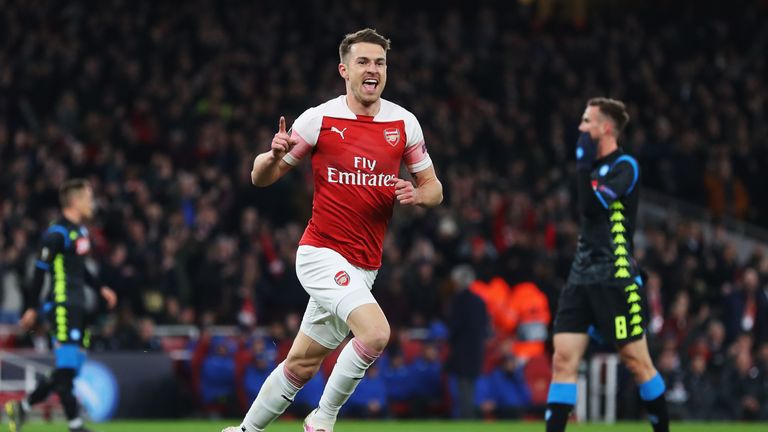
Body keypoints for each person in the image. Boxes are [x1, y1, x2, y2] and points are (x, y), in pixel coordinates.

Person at [223, 27, 443, 432]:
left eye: (379, 62)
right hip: (321, 254)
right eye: (363, 61)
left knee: (302, 364)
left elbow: (435, 189)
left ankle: (243, 431)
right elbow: (259, 177)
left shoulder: (404, 124)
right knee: (376, 334)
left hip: (365, 266)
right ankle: (322, 420)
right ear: (344, 69)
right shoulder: (319, 120)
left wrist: (418, 193)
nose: (372, 69)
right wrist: (271, 156)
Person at [545, 98, 669, 432]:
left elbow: (590, 207)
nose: (581, 128)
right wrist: (584, 167)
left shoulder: (625, 165)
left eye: (587, 121)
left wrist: (583, 164)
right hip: (580, 276)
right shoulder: (590, 169)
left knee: (637, 362)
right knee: (563, 360)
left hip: (615, 277)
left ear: (606, 128)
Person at [5, 179, 118, 432]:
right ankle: (75, 426)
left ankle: (22, 407)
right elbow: (39, 270)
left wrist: (100, 288)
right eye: (88, 198)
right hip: (62, 305)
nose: (92, 203)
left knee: (70, 370)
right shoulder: (57, 233)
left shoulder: (81, 232)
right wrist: (32, 307)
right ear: (75, 201)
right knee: (66, 369)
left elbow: (81, 270)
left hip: (79, 306)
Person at [445, 264, 488, 419]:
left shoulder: (458, 301)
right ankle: (468, 416)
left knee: (462, 388)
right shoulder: (480, 302)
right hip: (476, 350)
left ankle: (465, 418)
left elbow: (455, 327)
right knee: (470, 387)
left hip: (461, 351)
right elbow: (485, 328)